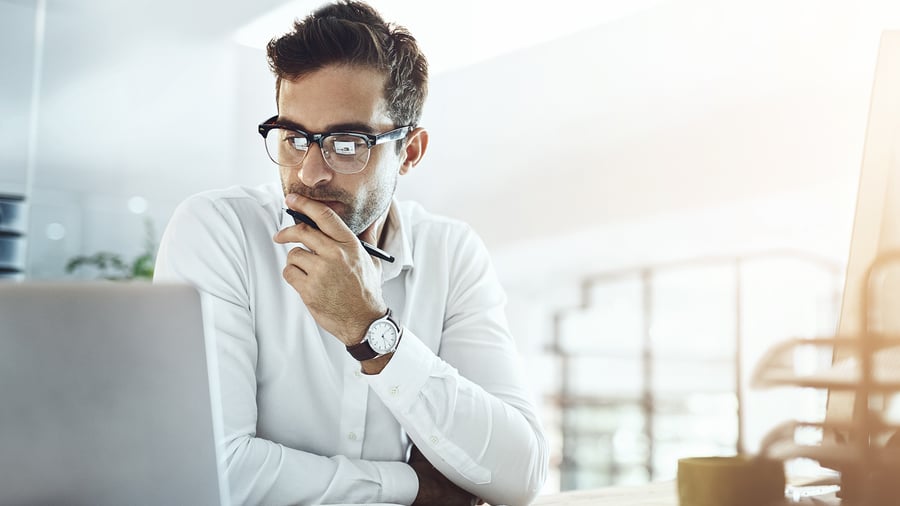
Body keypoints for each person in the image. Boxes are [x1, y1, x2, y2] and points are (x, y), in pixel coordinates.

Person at [154, 1, 548, 504]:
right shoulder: (218, 232)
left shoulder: (452, 254)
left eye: (346, 143)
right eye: (295, 138)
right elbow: (209, 472)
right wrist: (411, 486)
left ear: (410, 152)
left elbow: (519, 474)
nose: (309, 173)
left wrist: (371, 332)